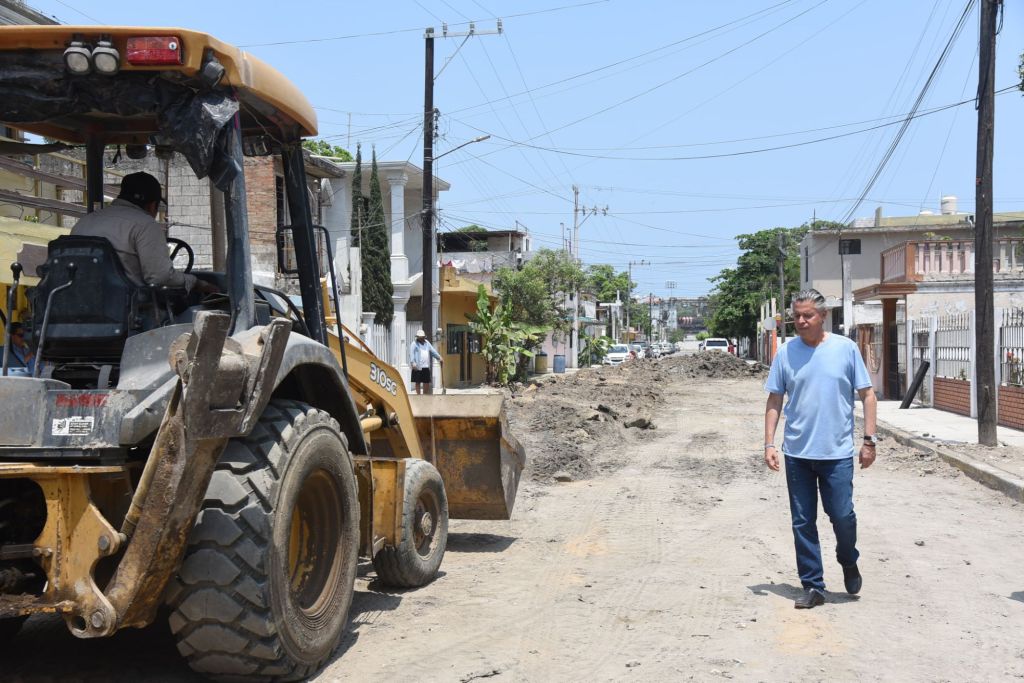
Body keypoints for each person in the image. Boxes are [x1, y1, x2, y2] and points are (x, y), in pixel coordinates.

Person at [763, 288, 877, 609]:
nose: (801, 321)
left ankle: (848, 558)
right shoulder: (786, 353)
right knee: (802, 521)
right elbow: (775, 399)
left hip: (836, 454)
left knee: (842, 515)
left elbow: (868, 395)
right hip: (797, 454)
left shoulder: (845, 349)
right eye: (797, 316)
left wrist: (869, 440)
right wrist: (769, 443)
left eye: (808, 315)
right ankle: (813, 585)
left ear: (823, 316)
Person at [70, 172, 218, 295]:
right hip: (127, 310)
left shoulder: (84, 222)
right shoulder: (145, 225)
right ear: (152, 205)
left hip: (79, 302)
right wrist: (196, 282)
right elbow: (160, 277)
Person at [409, 329, 443, 395]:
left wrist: (439, 357)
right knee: (417, 382)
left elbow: (433, 351)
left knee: (426, 382)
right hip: (417, 366)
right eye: (419, 337)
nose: (421, 338)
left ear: (424, 337)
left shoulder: (427, 343)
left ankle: (425, 395)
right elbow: (411, 353)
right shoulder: (414, 344)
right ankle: (418, 395)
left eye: (422, 337)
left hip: (426, 366)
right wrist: (413, 363)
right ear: (417, 337)